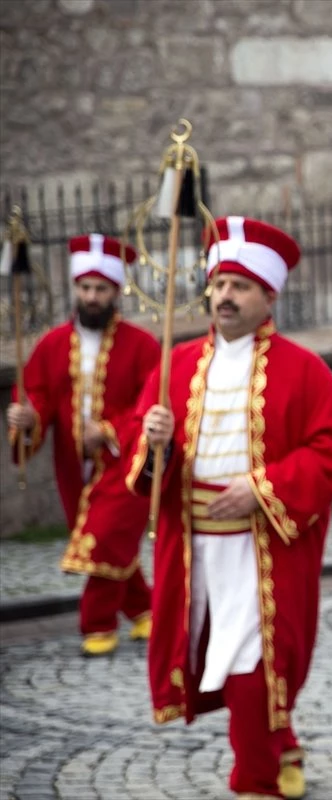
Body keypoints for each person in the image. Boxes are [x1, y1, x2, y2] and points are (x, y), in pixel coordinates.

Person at [129, 216, 332, 800]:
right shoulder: (173, 367)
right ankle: (281, 745)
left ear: (269, 295)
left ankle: (254, 782)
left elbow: (330, 455)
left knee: (255, 662)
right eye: (219, 283)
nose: (225, 295)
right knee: (215, 655)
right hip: (195, 550)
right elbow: (147, 469)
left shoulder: (307, 371)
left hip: (266, 550)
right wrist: (156, 443)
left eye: (240, 286)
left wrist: (261, 489)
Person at [7, 234, 158, 656]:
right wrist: (28, 418)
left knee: (104, 536)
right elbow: (36, 394)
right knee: (104, 541)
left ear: (116, 291)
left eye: (101, 289)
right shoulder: (51, 344)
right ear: (76, 289)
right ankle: (147, 611)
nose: (91, 297)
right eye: (85, 288)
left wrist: (110, 429)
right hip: (72, 466)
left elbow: (152, 401)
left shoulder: (142, 344)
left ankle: (97, 624)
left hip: (125, 460)